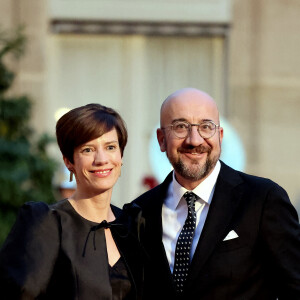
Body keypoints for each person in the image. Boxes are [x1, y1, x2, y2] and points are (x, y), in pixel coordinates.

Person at [132, 88, 300, 299]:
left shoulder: (262, 199)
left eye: (206, 127)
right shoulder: (139, 212)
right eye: (181, 127)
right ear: (161, 139)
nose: (194, 140)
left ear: (220, 136)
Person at [0, 103, 144, 299]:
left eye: (110, 147)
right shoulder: (47, 223)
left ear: (121, 155)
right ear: (69, 161)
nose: (102, 159)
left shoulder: (134, 225)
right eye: (88, 150)